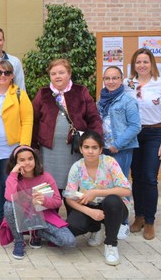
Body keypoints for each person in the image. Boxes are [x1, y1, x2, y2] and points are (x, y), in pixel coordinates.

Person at [32, 58, 103, 198]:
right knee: (50, 188)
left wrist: (95, 143)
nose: (57, 76)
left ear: (69, 74)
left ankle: (74, 217)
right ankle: (52, 218)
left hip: (74, 149)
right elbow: (34, 120)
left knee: (73, 186)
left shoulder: (81, 91)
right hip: (49, 151)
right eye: (53, 73)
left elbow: (93, 118)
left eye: (61, 72)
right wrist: (33, 146)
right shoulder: (43, 93)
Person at [0, 60, 33, 233]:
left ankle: (13, 219)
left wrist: (23, 148)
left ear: (12, 76)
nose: (3, 76)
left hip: (11, 148)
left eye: (7, 73)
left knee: (10, 182)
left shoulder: (19, 94)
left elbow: (27, 121)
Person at [64, 131, 131, 266]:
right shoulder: (76, 167)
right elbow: (69, 198)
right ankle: (96, 229)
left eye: (95, 147)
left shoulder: (109, 162)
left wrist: (96, 192)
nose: (90, 151)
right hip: (91, 207)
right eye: (86, 147)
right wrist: (90, 212)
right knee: (73, 226)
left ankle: (111, 245)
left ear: (101, 149)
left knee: (112, 200)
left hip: (115, 207)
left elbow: (126, 190)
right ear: (81, 148)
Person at [3, 146, 75, 260]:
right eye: (22, 160)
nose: (27, 163)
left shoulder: (46, 176)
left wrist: (44, 200)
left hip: (44, 217)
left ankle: (37, 232)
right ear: (15, 162)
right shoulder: (14, 178)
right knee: (8, 205)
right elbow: (9, 198)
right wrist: (13, 174)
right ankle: (19, 241)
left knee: (68, 241)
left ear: (35, 159)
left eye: (30, 159)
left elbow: (57, 202)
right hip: (23, 216)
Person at [98, 66, 141, 239]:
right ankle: (108, 221)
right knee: (105, 186)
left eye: (115, 78)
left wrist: (118, 144)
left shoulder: (127, 100)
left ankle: (123, 222)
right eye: (107, 78)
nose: (111, 81)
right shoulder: (101, 100)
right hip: (105, 150)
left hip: (120, 150)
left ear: (121, 79)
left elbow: (135, 126)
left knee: (120, 186)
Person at [123, 48, 161, 240]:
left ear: (151, 64)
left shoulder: (159, 83)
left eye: (145, 62)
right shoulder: (127, 84)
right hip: (134, 134)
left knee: (149, 177)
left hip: (155, 133)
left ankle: (150, 221)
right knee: (136, 177)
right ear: (134, 65)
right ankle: (138, 217)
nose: (142, 65)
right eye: (138, 62)